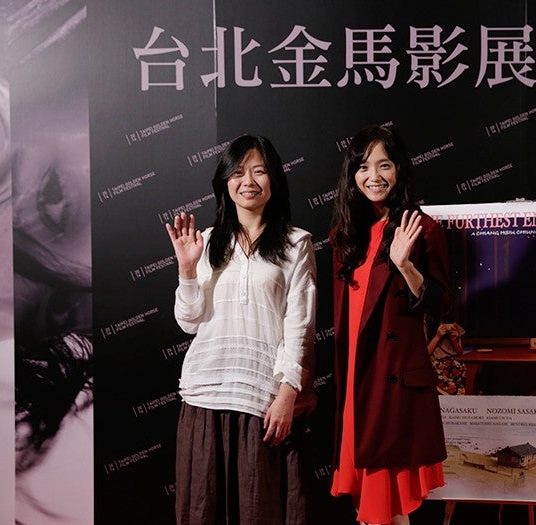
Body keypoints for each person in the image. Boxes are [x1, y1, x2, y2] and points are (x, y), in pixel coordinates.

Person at [166, 135, 317, 525]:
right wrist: (187, 270)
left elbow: (299, 325)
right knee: (202, 511)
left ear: (274, 180)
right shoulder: (205, 242)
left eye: (259, 171)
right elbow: (188, 321)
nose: (248, 181)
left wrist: (287, 394)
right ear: (225, 182)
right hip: (205, 396)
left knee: (257, 511)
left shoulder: (297, 243)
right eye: (237, 172)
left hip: (261, 403)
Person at [329, 124, 451, 525]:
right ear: (352, 174)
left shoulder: (422, 228)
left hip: (392, 380)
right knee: (367, 504)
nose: (374, 176)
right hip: (355, 379)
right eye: (363, 167)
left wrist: (405, 266)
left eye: (384, 165)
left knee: (388, 503)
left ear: (399, 169)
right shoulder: (344, 236)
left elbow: (442, 304)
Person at [426, 321, 467, 395]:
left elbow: (460, 353)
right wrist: (437, 337)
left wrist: (454, 340)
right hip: (436, 363)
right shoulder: (427, 325)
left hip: (452, 362)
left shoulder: (453, 325)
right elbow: (425, 354)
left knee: (462, 370)